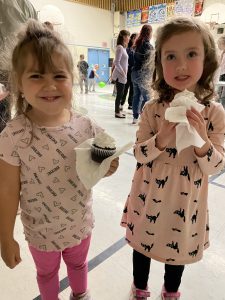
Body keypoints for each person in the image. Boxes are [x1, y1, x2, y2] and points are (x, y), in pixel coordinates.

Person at [0, 19, 119, 300]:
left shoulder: (85, 125)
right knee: (46, 274)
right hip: (41, 232)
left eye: (59, 76)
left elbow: (106, 158)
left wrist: (108, 165)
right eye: (36, 76)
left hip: (79, 222)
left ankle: (80, 294)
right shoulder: (14, 134)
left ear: (72, 78)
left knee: (78, 265)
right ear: (19, 81)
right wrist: (5, 236)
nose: (50, 85)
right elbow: (6, 189)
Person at [121, 17, 225, 300]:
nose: (181, 65)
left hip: (186, 199)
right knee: (142, 247)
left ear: (207, 60)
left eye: (191, 54)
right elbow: (139, 154)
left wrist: (202, 138)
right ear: (159, 63)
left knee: (176, 252)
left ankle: (171, 291)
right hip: (148, 195)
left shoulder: (214, 113)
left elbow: (217, 165)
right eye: (171, 56)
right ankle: (139, 288)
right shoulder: (152, 109)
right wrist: (161, 138)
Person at [131, 24, 154, 124]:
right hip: (143, 74)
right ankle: (143, 118)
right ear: (149, 33)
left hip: (134, 73)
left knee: (136, 96)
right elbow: (152, 61)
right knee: (147, 98)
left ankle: (135, 118)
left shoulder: (137, 44)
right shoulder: (148, 45)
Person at [112, 29, 130, 118]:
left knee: (121, 94)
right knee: (119, 95)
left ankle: (118, 111)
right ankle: (117, 112)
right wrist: (123, 73)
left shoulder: (123, 48)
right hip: (120, 76)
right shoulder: (119, 47)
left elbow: (123, 62)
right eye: (127, 36)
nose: (129, 38)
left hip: (123, 76)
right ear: (123, 37)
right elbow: (116, 62)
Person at [121, 33, 138, 110]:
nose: (135, 40)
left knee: (132, 90)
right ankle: (121, 103)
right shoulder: (127, 48)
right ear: (131, 39)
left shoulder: (137, 49)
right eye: (134, 38)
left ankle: (130, 104)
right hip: (127, 72)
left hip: (133, 72)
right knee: (125, 89)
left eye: (137, 38)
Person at [217, 35, 225, 108]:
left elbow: (222, 67)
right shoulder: (222, 53)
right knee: (220, 92)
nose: (218, 45)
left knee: (223, 93)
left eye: (219, 43)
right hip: (221, 74)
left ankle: (222, 106)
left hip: (223, 75)